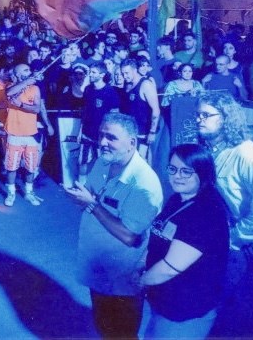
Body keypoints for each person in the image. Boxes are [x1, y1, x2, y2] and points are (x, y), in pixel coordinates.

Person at [65, 112, 163, 339]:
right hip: (98, 267)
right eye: (101, 135)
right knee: (103, 327)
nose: (102, 142)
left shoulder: (144, 184)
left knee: (123, 333)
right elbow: (92, 194)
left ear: (132, 143)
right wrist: (81, 197)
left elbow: (130, 235)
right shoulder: (103, 162)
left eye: (111, 137)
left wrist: (91, 205)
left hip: (123, 278)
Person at [140, 144, 229, 339]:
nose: (177, 176)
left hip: (185, 311)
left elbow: (170, 268)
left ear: (203, 173)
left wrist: (138, 282)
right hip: (165, 301)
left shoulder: (205, 213)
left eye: (186, 171)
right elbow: (160, 234)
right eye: (172, 169)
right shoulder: (178, 198)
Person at [195, 92, 253, 291]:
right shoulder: (208, 150)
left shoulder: (247, 154)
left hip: (250, 245)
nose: (199, 120)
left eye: (206, 115)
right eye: (198, 114)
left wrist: (234, 238)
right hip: (223, 240)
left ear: (225, 118)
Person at [2, 63, 43, 207]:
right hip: (14, 133)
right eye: (26, 70)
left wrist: (20, 105)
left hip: (31, 134)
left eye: (29, 70)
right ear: (18, 74)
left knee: (31, 166)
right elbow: (8, 93)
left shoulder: (35, 88)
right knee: (11, 166)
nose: (30, 72)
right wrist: (26, 82)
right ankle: (11, 192)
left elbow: (37, 109)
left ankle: (29, 192)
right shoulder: (11, 86)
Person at [119, 58, 160, 162]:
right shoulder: (127, 84)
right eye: (122, 73)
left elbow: (156, 110)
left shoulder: (146, 84)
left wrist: (152, 131)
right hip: (130, 131)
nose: (124, 76)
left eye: (127, 73)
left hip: (143, 132)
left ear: (135, 70)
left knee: (142, 161)